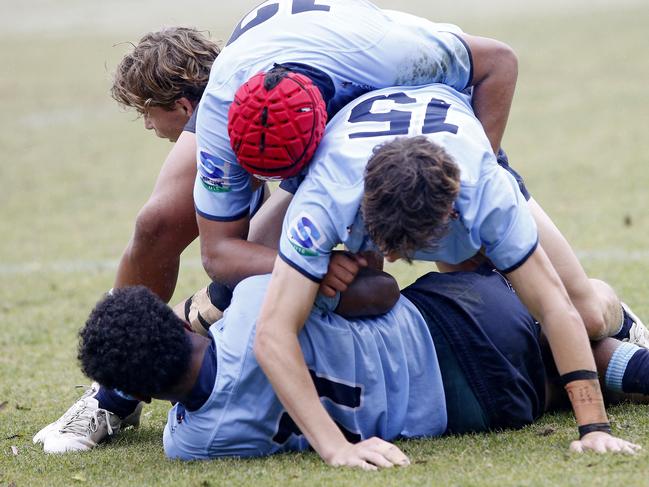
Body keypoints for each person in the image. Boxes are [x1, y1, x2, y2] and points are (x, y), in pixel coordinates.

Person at [255, 82, 644, 465]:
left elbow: (555, 307)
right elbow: (272, 332)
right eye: (383, 243)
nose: (388, 258)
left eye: (401, 249)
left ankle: (622, 321)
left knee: (584, 312)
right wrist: (335, 448)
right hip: (369, 157)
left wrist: (594, 429)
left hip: (454, 153)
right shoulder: (324, 198)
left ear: (453, 214)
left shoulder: (487, 192)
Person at [71, 266, 644, 464]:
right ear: (175, 321)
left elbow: (199, 404)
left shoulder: (192, 444)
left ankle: (630, 363)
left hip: (476, 409)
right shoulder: (252, 307)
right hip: (455, 323)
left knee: (554, 370)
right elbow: (381, 292)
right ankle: (620, 324)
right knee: (575, 305)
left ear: (143, 395)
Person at [32, 27, 293, 452]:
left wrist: (123, 344)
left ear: (186, 106)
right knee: (252, 263)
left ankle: (113, 391)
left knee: (168, 233)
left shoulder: (218, 106)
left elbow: (155, 227)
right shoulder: (261, 88)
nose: (149, 126)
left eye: (147, 113)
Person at [193, 1, 519, 288]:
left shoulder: (391, 57)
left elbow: (499, 62)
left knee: (465, 247)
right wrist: (312, 267)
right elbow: (218, 254)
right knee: (251, 273)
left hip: (403, 95)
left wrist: (474, 175)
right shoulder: (217, 112)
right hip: (271, 63)